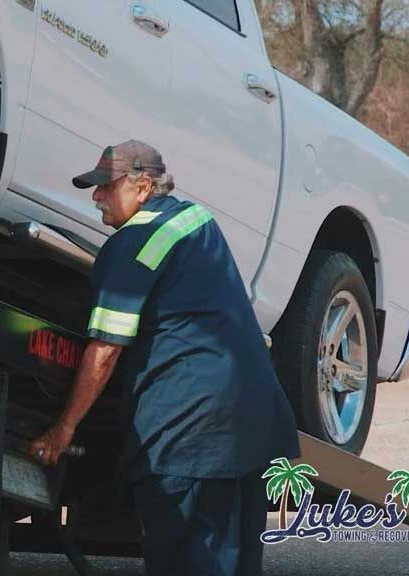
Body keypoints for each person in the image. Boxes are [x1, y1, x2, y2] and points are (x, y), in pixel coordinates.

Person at [29, 140, 301, 575]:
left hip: (189, 434)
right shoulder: (197, 221)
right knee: (235, 562)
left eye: (105, 186)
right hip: (251, 423)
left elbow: (105, 350)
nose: (96, 196)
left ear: (142, 187)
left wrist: (64, 429)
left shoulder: (133, 243)